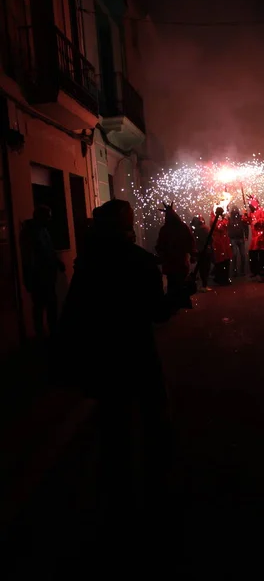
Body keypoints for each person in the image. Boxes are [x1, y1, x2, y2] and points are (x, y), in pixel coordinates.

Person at [54, 199, 172, 523]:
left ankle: (116, 497)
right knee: (152, 421)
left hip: (104, 358)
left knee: (114, 428)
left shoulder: (89, 263)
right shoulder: (139, 261)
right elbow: (157, 312)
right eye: (129, 218)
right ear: (124, 224)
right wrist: (177, 296)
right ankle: (154, 493)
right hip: (137, 353)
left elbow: (74, 314)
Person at [20, 204, 65, 338]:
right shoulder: (32, 232)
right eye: (47, 217)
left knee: (48, 305)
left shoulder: (41, 230)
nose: (49, 220)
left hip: (46, 276)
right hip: (39, 278)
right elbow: (30, 257)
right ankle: (43, 333)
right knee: (41, 306)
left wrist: (56, 262)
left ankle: (49, 331)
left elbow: (48, 251)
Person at [156, 202, 196, 309]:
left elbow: (160, 245)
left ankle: (175, 304)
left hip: (173, 262)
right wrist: (192, 254)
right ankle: (181, 302)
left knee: (174, 282)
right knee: (179, 281)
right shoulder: (181, 227)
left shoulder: (165, 229)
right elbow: (190, 241)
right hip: (178, 261)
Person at [243, 196, 264, 281]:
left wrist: (258, 222)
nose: (249, 206)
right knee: (252, 253)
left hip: (262, 237)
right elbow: (248, 222)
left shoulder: (261, 210)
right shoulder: (251, 212)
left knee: (262, 256)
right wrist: (245, 216)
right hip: (255, 237)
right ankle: (255, 271)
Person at [210, 206, 232, 285]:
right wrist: (226, 218)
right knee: (221, 263)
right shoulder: (214, 219)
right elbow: (221, 227)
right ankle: (221, 280)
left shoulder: (218, 219)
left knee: (225, 262)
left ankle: (222, 278)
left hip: (223, 244)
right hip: (219, 244)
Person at [191, 214, 213, 292]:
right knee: (205, 268)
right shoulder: (205, 229)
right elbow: (210, 240)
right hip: (206, 251)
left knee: (201, 268)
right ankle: (204, 285)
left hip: (199, 251)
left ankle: (202, 285)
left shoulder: (194, 230)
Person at [228, 205, 247, 277]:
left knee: (243, 255)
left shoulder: (241, 218)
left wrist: (246, 235)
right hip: (233, 238)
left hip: (240, 238)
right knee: (234, 255)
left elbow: (245, 226)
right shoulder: (230, 218)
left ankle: (242, 270)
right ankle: (235, 271)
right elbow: (227, 228)